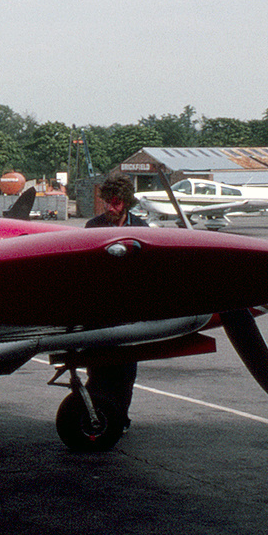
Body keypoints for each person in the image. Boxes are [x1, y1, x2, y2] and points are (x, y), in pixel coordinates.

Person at [82, 174, 147, 432]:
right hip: (100, 308)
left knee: (125, 371)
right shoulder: (92, 226)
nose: (111, 207)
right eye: (107, 202)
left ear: (126, 203)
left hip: (128, 309)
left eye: (117, 202)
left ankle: (120, 417)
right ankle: (99, 412)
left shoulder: (140, 228)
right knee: (97, 369)